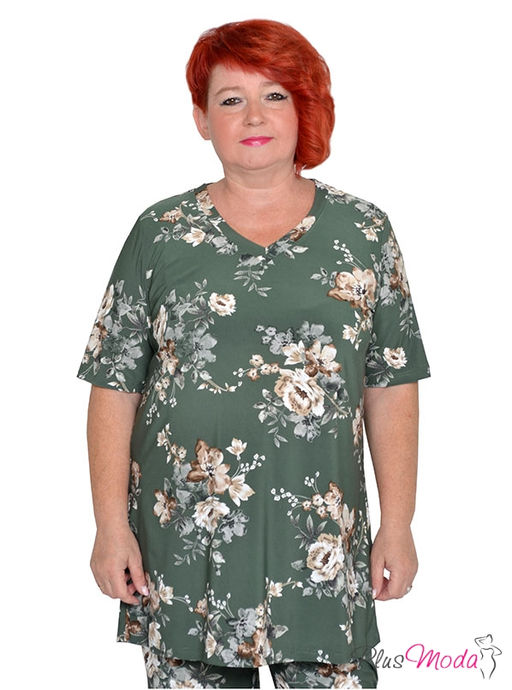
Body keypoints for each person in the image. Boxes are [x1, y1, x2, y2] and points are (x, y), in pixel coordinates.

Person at [76, 18, 431, 689]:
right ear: (201, 119)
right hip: (185, 543)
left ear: (305, 108)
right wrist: (109, 526)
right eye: (230, 99)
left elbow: (391, 383)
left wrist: (400, 524)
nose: (254, 116)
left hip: (323, 544)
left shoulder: (363, 231)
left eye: (275, 95)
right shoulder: (161, 233)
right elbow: (114, 386)